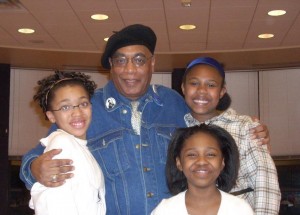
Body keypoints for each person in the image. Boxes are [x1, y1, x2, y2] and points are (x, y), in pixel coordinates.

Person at [20, 24, 270, 215]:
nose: (130, 69)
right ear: (111, 65)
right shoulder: (86, 109)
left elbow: (210, 125)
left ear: (152, 63)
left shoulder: (173, 103)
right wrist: (34, 168)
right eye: (121, 60)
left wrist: (249, 127)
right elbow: (41, 152)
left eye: (139, 60)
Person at [181, 56, 281, 214]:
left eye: (211, 85)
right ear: (183, 88)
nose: (201, 90)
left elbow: (266, 185)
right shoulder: (178, 128)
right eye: (194, 83)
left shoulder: (244, 127)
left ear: (221, 92)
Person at [28, 71, 106, 215]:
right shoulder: (62, 145)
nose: (77, 113)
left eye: (83, 104)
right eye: (65, 107)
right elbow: (52, 206)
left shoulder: (80, 147)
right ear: (51, 116)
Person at [151, 124, 254, 215]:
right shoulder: (165, 210)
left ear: (222, 162)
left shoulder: (240, 209)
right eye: (191, 155)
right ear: (179, 163)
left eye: (210, 154)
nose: (201, 161)